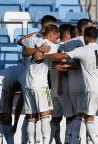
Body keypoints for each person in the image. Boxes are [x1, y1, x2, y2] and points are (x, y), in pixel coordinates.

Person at [34, 26, 98, 144]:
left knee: (88, 119)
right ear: (96, 37)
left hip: (92, 90)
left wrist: (44, 56)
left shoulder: (84, 50)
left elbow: (62, 56)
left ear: (85, 37)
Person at [17, 15, 58, 144]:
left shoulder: (33, 39)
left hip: (28, 84)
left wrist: (36, 47)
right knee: (45, 116)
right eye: (56, 35)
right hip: (40, 84)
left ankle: (32, 141)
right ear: (50, 31)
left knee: (31, 117)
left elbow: (22, 47)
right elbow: (58, 58)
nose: (57, 38)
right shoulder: (51, 45)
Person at [0, 65, 25, 144]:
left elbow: (19, 105)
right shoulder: (28, 77)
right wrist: (9, 112)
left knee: (1, 117)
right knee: (0, 117)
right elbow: (12, 91)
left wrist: (15, 123)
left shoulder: (28, 72)